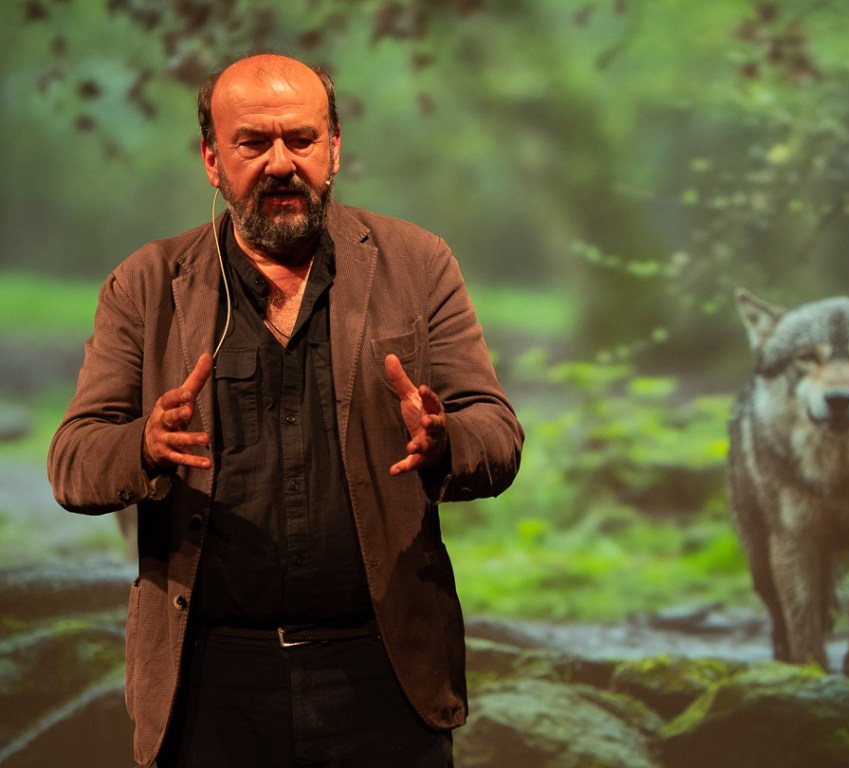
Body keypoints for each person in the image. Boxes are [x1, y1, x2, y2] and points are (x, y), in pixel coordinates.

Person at [47, 51, 523, 768]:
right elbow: (72, 462)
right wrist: (144, 445)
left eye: (301, 139)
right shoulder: (146, 283)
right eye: (253, 143)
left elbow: (497, 432)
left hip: (383, 671)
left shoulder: (418, 264)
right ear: (212, 159)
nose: (280, 164)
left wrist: (445, 439)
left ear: (334, 148)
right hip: (208, 681)